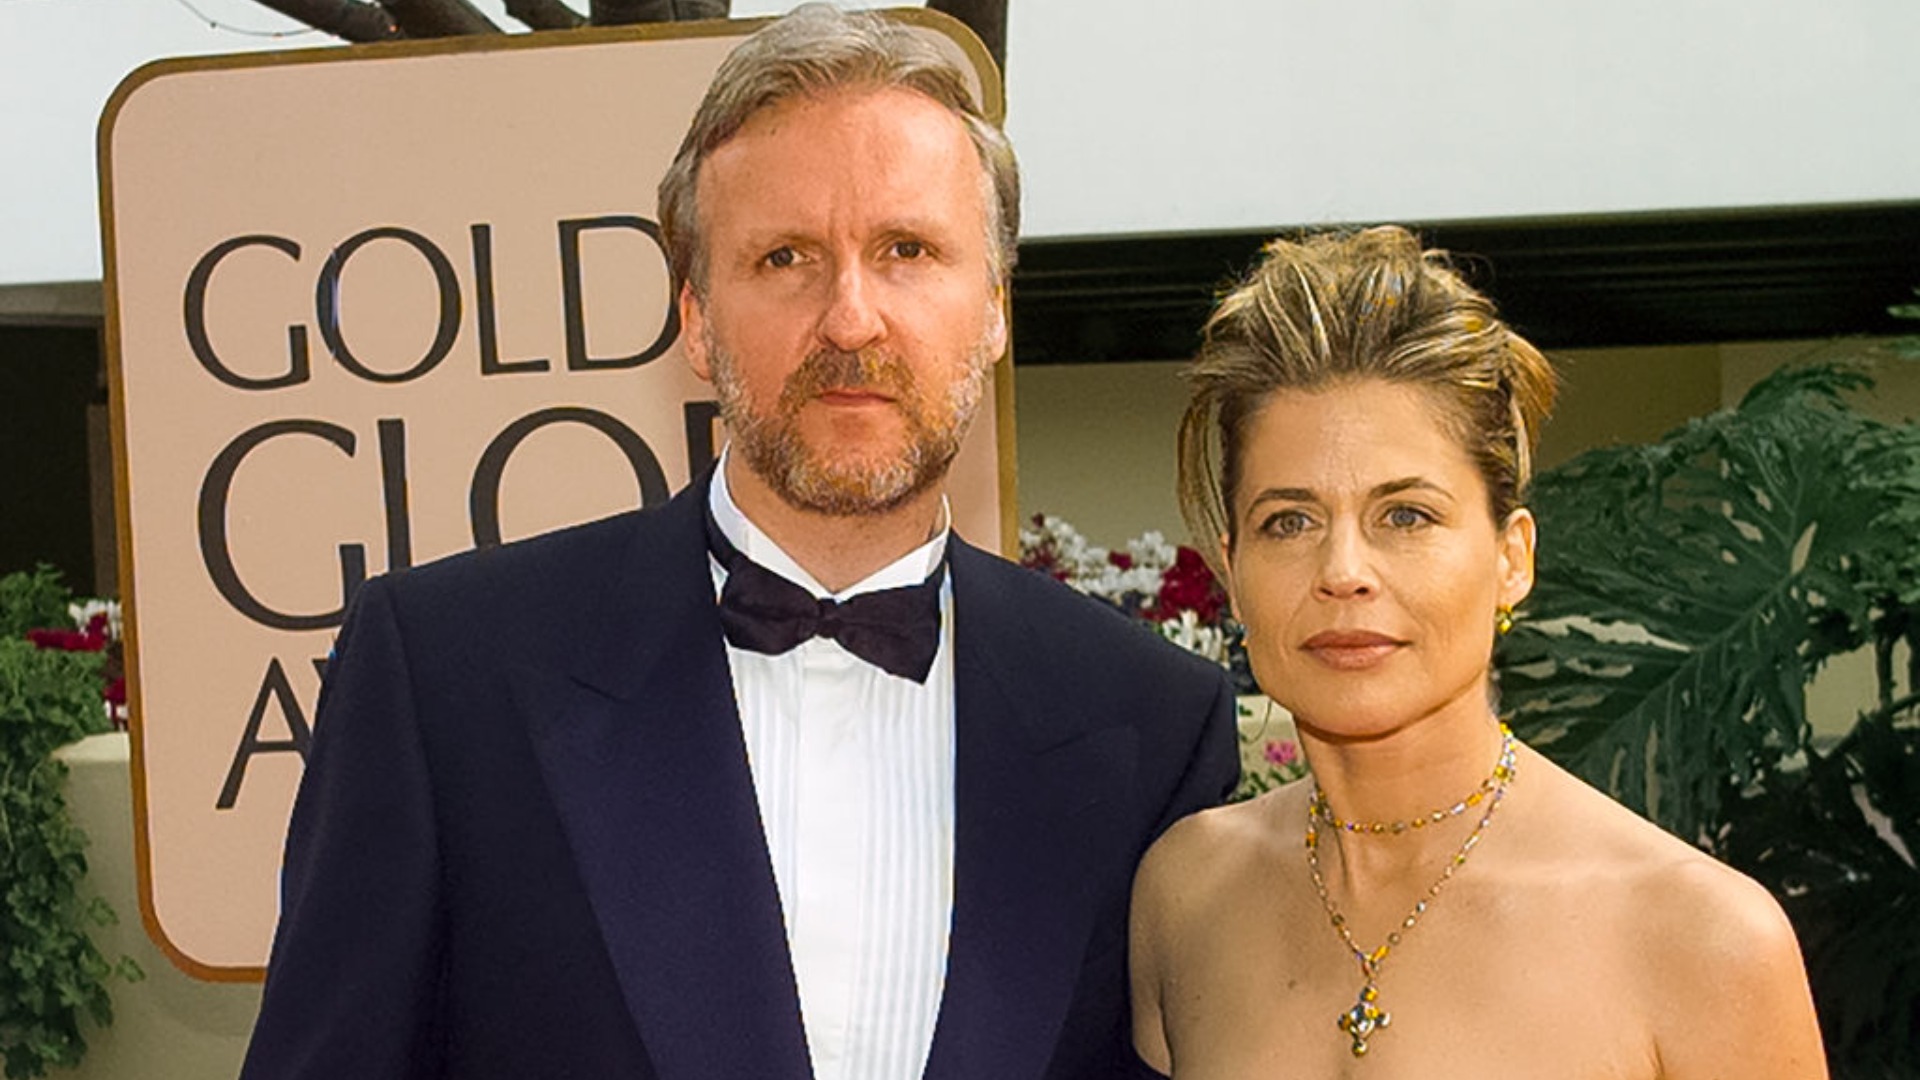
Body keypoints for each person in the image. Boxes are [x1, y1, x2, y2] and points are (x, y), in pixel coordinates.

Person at [237, 7, 1237, 1080]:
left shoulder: (1146, 722)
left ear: (993, 307)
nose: (850, 318)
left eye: (907, 250)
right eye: (785, 258)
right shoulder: (445, 679)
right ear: (698, 319)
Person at [1128, 226, 1828, 1079]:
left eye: (1407, 515)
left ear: (1512, 558)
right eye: (1290, 521)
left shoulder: (1699, 939)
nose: (1343, 571)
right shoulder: (1184, 897)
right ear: (1232, 574)